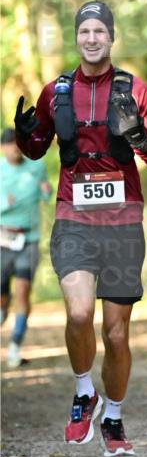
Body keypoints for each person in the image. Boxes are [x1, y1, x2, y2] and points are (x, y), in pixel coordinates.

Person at [14, 0, 147, 455]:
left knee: (117, 334)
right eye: (85, 31)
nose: (92, 38)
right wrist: (26, 134)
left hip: (123, 223)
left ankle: (115, 420)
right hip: (73, 217)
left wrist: (140, 136)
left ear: (112, 37)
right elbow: (37, 148)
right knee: (79, 314)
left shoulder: (135, 89)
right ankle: (85, 391)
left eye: (100, 31)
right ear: (76, 38)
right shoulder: (56, 91)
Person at [1, 127, 52, 367]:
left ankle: (14, 347)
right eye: (11, 144)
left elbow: (46, 193)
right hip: (2, 239)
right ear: (2, 147)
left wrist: (46, 191)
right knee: (2, 299)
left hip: (29, 240)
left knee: (22, 291)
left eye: (19, 143)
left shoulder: (36, 166)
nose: (15, 148)